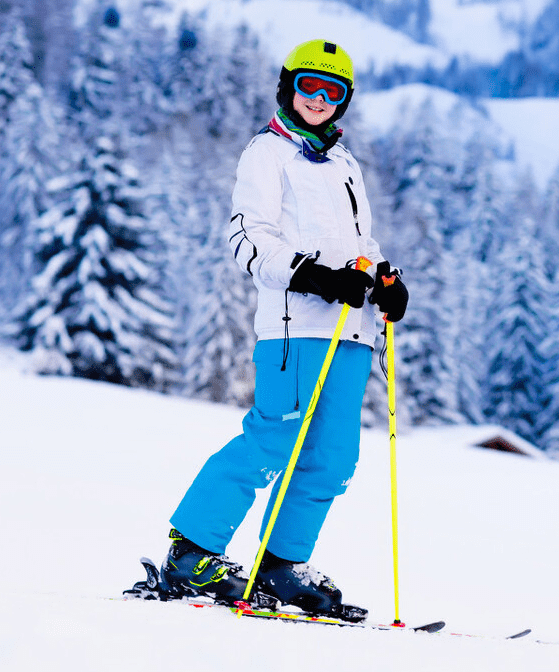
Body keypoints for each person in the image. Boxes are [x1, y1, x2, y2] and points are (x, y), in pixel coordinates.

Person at [161, 39, 408, 618]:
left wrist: (383, 281)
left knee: (334, 456)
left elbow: (360, 247)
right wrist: (315, 276)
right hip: (295, 324)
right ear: (287, 88)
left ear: (345, 100)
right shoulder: (266, 153)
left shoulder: (346, 165)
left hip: (352, 330)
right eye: (308, 87)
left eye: (333, 91)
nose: (319, 100)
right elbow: (248, 239)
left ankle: (281, 565)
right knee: (274, 439)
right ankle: (192, 551)